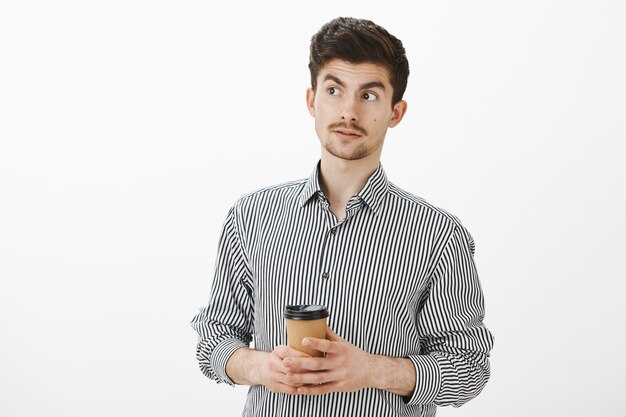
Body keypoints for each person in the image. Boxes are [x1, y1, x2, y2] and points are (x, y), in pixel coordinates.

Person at [191, 16, 494, 417]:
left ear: (395, 112)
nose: (348, 111)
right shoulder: (251, 217)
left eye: (369, 95)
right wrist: (261, 366)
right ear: (312, 100)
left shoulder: (438, 235)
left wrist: (372, 371)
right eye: (334, 90)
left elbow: (470, 368)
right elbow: (215, 337)